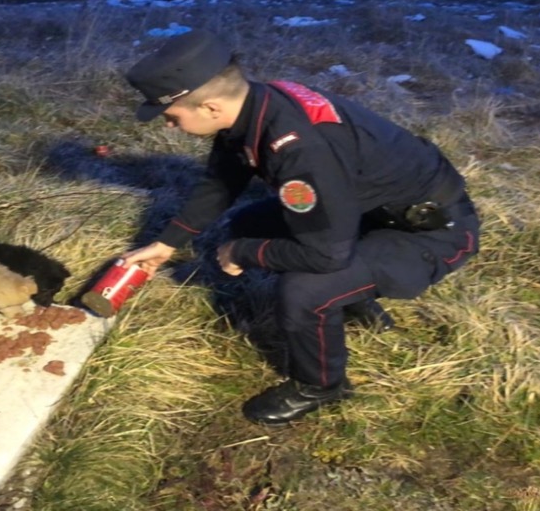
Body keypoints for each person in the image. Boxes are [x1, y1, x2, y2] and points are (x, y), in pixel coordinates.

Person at [121, 28, 480, 426]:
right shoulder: (255, 106)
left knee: (305, 289)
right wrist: (168, 243)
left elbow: (326, 254)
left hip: (431, 230)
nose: (169, 125)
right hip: (373, 209)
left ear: (209, 108)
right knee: (248, 223)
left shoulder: (299, 147)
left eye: (172, 116)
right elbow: (222, 180)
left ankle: (321, 385)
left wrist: (241, 253)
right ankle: (353, 299)